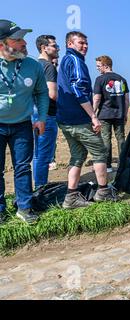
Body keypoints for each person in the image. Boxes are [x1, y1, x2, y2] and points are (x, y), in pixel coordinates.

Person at [57, 31, 116, 209]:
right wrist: (93, 116)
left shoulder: (66, 61)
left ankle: (71, 196)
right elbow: (78, 88)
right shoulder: (75, 60)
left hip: (65, 119)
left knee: (78, 155)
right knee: (100, 153)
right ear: (69, 44)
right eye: (80, 43)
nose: (85, 46)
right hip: (79, 119)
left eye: (86, 43)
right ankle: (103, 192)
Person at [0, 20, 48, 224]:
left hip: (22, 125)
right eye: (17, 39)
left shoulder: (33, 65)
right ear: (2, 44)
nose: (23, 43)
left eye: (23, 38)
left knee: (22, 167)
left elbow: (42, 93)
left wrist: (41, 118)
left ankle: (24, 207)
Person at [93, 55, 129, 173]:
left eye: (98, 66)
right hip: (119, 114)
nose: (97, 68)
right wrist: (125, 113)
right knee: (121, 139)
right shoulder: (122, 79)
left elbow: (97, 98)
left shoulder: (100, 79)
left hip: (104, 114)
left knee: (105, 140)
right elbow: (126, 99)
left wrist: (92, 114)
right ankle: (123, 164)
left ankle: (107, 166)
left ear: (105, 65)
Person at [33, 35, 60, 189]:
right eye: (54, 46)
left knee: (37, 154)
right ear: (44, 48)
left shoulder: (34, 65)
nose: (57, 49)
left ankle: (39, 185)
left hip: (33, 113)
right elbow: (52, 94)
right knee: (44, 155)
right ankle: (41, 187)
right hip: (47, 114)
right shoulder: (48, 66)